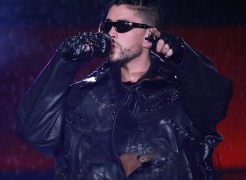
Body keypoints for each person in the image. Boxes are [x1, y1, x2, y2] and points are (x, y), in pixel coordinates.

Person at [17, 0, 233, 179]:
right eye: (106, 25)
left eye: (122, 26)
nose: (110, 33)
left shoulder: (182, 93)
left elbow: (216, 102)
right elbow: (35, 132)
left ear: (149, 35)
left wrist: (185, 59)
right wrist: (64, 61)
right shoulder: (81, 95)